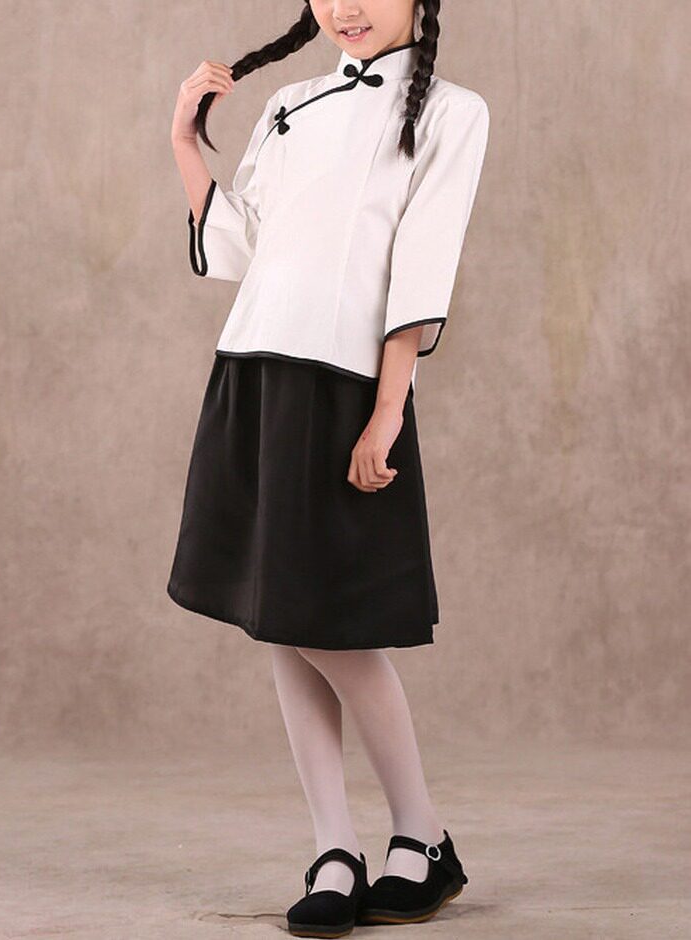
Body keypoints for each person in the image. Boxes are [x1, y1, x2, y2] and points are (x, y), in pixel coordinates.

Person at [167, 1, 489, 935]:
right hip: (254, 368)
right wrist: (184, 140)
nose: (344, 7)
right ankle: (334, 848)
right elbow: (244, 246)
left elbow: (423, 266)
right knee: (282, 618)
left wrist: (388, 410)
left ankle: (421, 834)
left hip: (345, 384)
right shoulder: (289, 104)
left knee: (328, 623)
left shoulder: (452, 111)